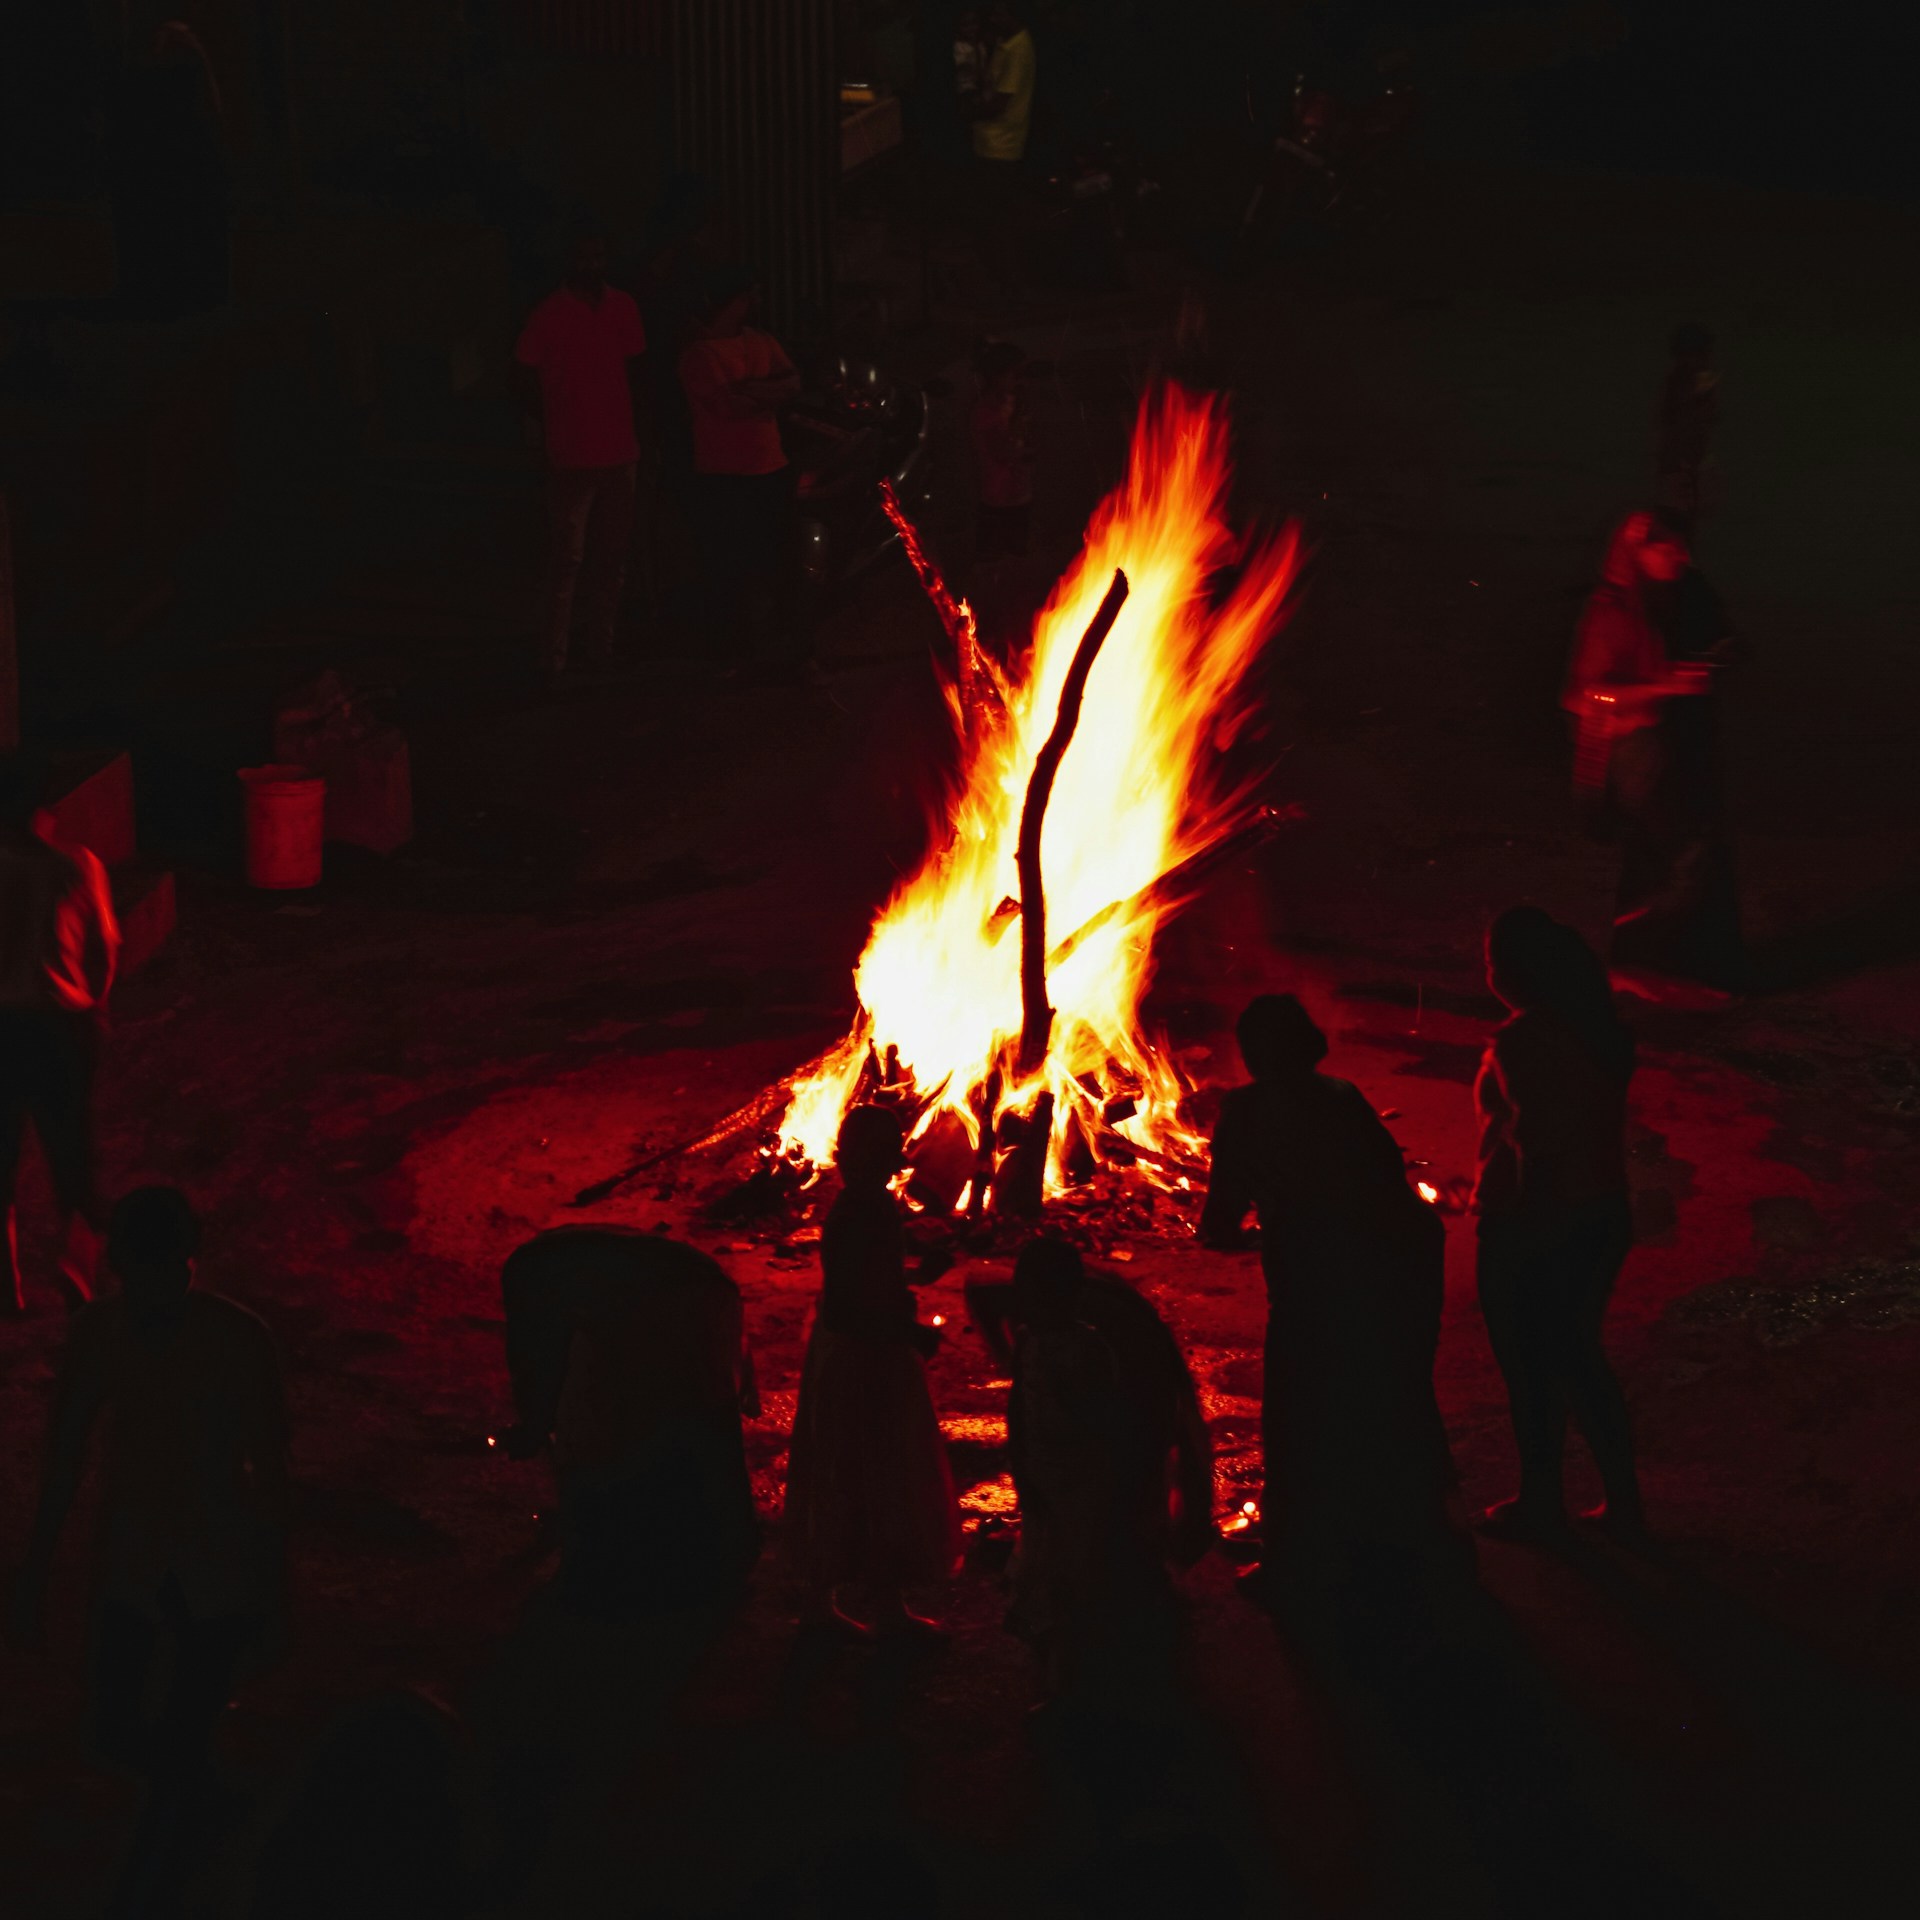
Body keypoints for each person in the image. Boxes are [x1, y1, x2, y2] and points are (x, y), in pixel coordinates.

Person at [11, 1187, 288, 1910]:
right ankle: (199, 1830)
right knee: (140, 1735)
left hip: (174, 1555)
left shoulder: (123, 1334)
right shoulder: (232, 1336)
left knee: (144, 1735)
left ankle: (173, 1858)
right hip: (178, 1555)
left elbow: (68, 1456)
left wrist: (37, 1567)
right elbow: (270, 1473)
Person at [1199, 995, 1456, 1581]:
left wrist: (1247, 1236)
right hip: (1401, 1261)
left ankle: (1296, 1559)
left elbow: (1219, 1221)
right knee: (1391, 1394)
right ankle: (1415, 1537)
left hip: (1322, 1272)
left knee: (1300, 1408)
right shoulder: (1343, 1096)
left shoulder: (1245, 1110)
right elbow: (1385, 1180)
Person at [966, 1236, 1213, 1703]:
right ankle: (1067, 1682)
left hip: (1082, 1485)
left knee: (1083, 1577)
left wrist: (1116, 1481)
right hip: (1050, 1485)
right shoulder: (1033, 1344)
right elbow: (1021, 1415)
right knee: (1056, 1574)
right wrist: (1025, 1470)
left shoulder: (1094, 1348)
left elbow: (1111, 1421)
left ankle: (1089, 1683)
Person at [1473, 909, 1645, 1541]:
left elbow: (1539, 1141)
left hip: (1543, 1221)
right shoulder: (1595, 1031)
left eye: (1494, 960)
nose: (1487, 972)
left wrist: (1524, 1225)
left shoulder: (1526, 1040)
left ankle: (1542, 1499)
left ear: (1522, 972)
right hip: (1601, 1209)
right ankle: (1622, 1504)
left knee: (1532, 1368)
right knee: (1577, 1360)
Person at [498, 1227, 760, 1618]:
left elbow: (539, 1363)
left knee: (662, 1427)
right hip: (701, 1289)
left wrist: (534, 1426)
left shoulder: (536, 1286)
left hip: (682, 1300)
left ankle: (671, 1560)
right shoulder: (546, 1269)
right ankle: (708, 1552)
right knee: (690, 1422)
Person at [784, 1105, 959, 1640]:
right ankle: (865, 1608)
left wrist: (914, 1273)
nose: (894, 1159)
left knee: (856, 1476)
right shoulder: (864, 1211)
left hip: (853, 1351)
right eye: (885, 1149)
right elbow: (852, 1301)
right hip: (864, 1360)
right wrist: (910, 1334)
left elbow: (866, 1280)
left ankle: (857, 1604)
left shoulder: (864, 1205)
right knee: (880, 1477)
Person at [1564, 509, 1744, 1000]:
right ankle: (1645, 961)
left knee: (1678, 854)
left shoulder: (1684, 595)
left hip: (1675, 747)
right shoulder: (1613, 610)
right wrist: (1664, 685)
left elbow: (1726, 638)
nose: (1678, 556)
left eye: (1682, 547)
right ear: (1636, 552)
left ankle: (1666, 964)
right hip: (1630, 748)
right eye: (1665, 548)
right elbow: (1590, 694)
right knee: (1680, 855)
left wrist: (1718, 656)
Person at [0, 756, 119, 1315]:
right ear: (46, 812)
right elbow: (103, 952)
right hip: (60, 1025)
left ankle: (6, 1285)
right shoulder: (77, 865)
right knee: (73, 1156)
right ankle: (79, 1271)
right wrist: (94, 1004)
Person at [515, 230, 648, 679]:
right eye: (584, 255)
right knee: (568, 560)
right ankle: (555, 660)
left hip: (618, 450)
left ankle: (599, 651)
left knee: (610, 559)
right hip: (573, 454)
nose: (592, 263)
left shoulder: (622, 307)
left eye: (598, 254)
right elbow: (527, 379)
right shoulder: (549, 315)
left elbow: (633, 372)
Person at [677, 262, 804, 674]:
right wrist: (766, 393)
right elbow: (728, 405)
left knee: (777, 562)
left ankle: (783, 647)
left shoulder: (760, 341)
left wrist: (752, 391)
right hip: (723, 474)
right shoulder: (699, 354)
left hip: (770, 468)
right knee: (728, 566)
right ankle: (734, 651)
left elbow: (792, 384)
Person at [968, 5, 1038, 287]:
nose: (993, 20)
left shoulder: (1018, 50)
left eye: (999, 14)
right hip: (991, 142)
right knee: (994, 217)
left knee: (996, 220)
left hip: (1001, 145)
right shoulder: (1006, 43)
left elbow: (999, 103)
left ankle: (1007, 283)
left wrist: (967, 110)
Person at [970, 338, 1033, 566]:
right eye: (1013, 375)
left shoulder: (1010, 402)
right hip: (999, 495)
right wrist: (1021, 443)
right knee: (997, 553)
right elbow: (1001, 450)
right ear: (996, 377)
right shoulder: (987, 411)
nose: (1019, 382)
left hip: (1017, 492)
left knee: (1017, 550)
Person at [1655, 321, 1719, 534]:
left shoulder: (1699, 377)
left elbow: (1707, 411)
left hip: (1692, 453)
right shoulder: (1681, 380)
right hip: (1682, 453)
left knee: (1687, 507)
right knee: (1679, 507)